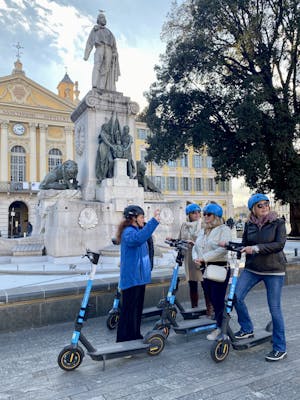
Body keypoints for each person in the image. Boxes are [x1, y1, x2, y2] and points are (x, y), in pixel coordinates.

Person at [230, 193, 287, 361]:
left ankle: (280, 347)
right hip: (253, 268)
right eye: (260, 205)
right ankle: (247, 328)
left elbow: (279, 245)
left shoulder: (278, 223)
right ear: (253, 209)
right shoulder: (250, 225)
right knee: (236, 296)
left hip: (274, 270)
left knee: (275, 309)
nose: (264, 207)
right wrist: (228, 245)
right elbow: (245, 244)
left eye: (266, 204)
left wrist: (255, 249)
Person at [115, 205, 160, 342]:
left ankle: (135, 335)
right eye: (141, 217)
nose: (143, 219)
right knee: (128, 311)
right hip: (132, 279)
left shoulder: (136, 230)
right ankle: (124, 339)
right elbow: (138, 239)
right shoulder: (128, 231)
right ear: (133, 218)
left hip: (139, 278)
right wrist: (153, 222)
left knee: (136, 310)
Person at [192, 202, 232, 340]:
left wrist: (204, 258)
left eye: (209, 214)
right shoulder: (204, 230)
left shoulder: (223, 229)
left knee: (217, 299)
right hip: (206, 268)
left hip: (219, 267)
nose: (205, 217)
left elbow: (223, 249)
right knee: (212, 298)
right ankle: (221, 322)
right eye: (205, 214)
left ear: (216, 216)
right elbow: (196, 246)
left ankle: (220, 328)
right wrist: (196, 258)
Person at [177, 203, 213, 315]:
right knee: (192, 283)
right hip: (189, 258)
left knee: (205, 283)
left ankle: (210, 307)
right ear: (188, 214)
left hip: (200, 257)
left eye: (198, 212)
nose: (197, 214)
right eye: (194, 212)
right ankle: (194, 307)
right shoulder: (184, 225)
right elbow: (180, 239)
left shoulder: (203, 224)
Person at [84, 11, 120, 91]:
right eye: (102, 18)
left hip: (109, 49)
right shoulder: (95, 30)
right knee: (97, 66)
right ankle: (95, 85)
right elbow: (90, 42)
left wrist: (114, 52)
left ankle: (102, 87)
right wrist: (86, 54)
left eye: (104, 18)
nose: (104, 19)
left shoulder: (109, 32)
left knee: (107, 68)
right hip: (99, 47)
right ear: (98, 19)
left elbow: (114, 44)